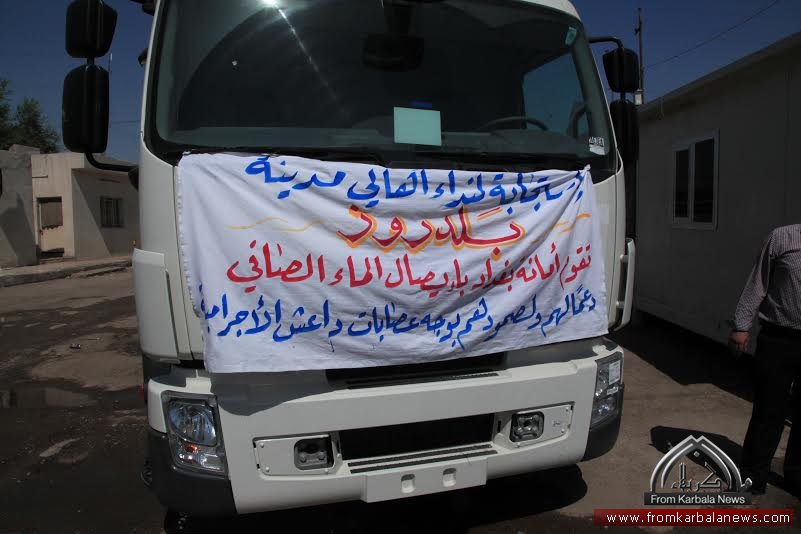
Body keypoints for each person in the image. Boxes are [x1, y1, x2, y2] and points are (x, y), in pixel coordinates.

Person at [730, 224, 801, 495]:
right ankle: (752, 477)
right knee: (768, 411)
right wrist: (741, 325)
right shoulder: (782, 238)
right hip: (778, 339)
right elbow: (757, 284)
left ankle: (796, 475)